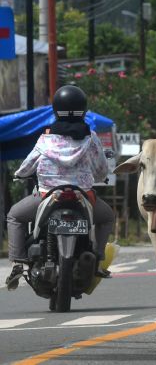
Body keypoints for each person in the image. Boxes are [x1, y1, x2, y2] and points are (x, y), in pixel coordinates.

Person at [4, 85, 115, 291]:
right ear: (83, 109)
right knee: (107, 216)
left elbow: (28, 165)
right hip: (83, 196)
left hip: (48, 195)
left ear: (56, 109)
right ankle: (98, 260)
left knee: (15, 216)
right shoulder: (91, 137)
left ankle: (18, 262)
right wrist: (99, 177)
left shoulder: (45, 138)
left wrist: (19, 174)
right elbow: (101, 169)